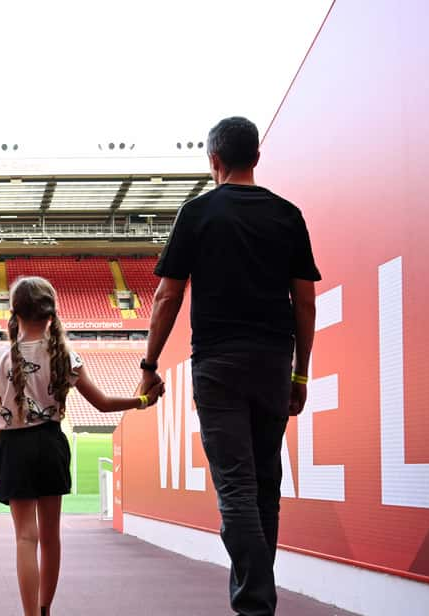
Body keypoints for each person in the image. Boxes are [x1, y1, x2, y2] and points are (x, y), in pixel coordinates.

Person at [136, 116, 320, 616]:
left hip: (217, 364)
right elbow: (304, 302)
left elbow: (167, 295)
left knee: (236, 486)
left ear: (213, 161)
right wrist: (301, 373)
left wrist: (149, 363)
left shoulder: (197, 213)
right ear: (256, 158)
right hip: (273, 362)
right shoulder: (288, 215)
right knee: (265, 483)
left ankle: (256, 603)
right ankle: (256, 601)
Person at [0, 277, 160, 616]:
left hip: (13, 449)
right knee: (50, 537)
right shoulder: (65, 357)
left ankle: (29, 613)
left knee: (25, 538)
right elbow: (103, 404)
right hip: (51, 445)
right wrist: (143, 400)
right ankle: (46, 608)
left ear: (15, 312)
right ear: (51, 314)